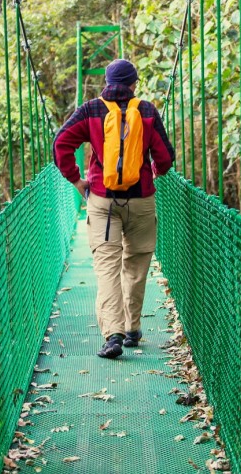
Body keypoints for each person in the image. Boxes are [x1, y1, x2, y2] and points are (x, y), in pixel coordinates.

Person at [52, 59, 175, 359]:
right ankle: (132, 328)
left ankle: (113, 335)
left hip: (103, 201)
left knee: (107, 268)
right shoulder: (146, 110)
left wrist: (77, 180)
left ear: (106, 83)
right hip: (142, 200)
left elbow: (60, 144)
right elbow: (166, 157)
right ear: (134, 83)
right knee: (135, 264)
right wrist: (155, 171)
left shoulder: (90, 110)